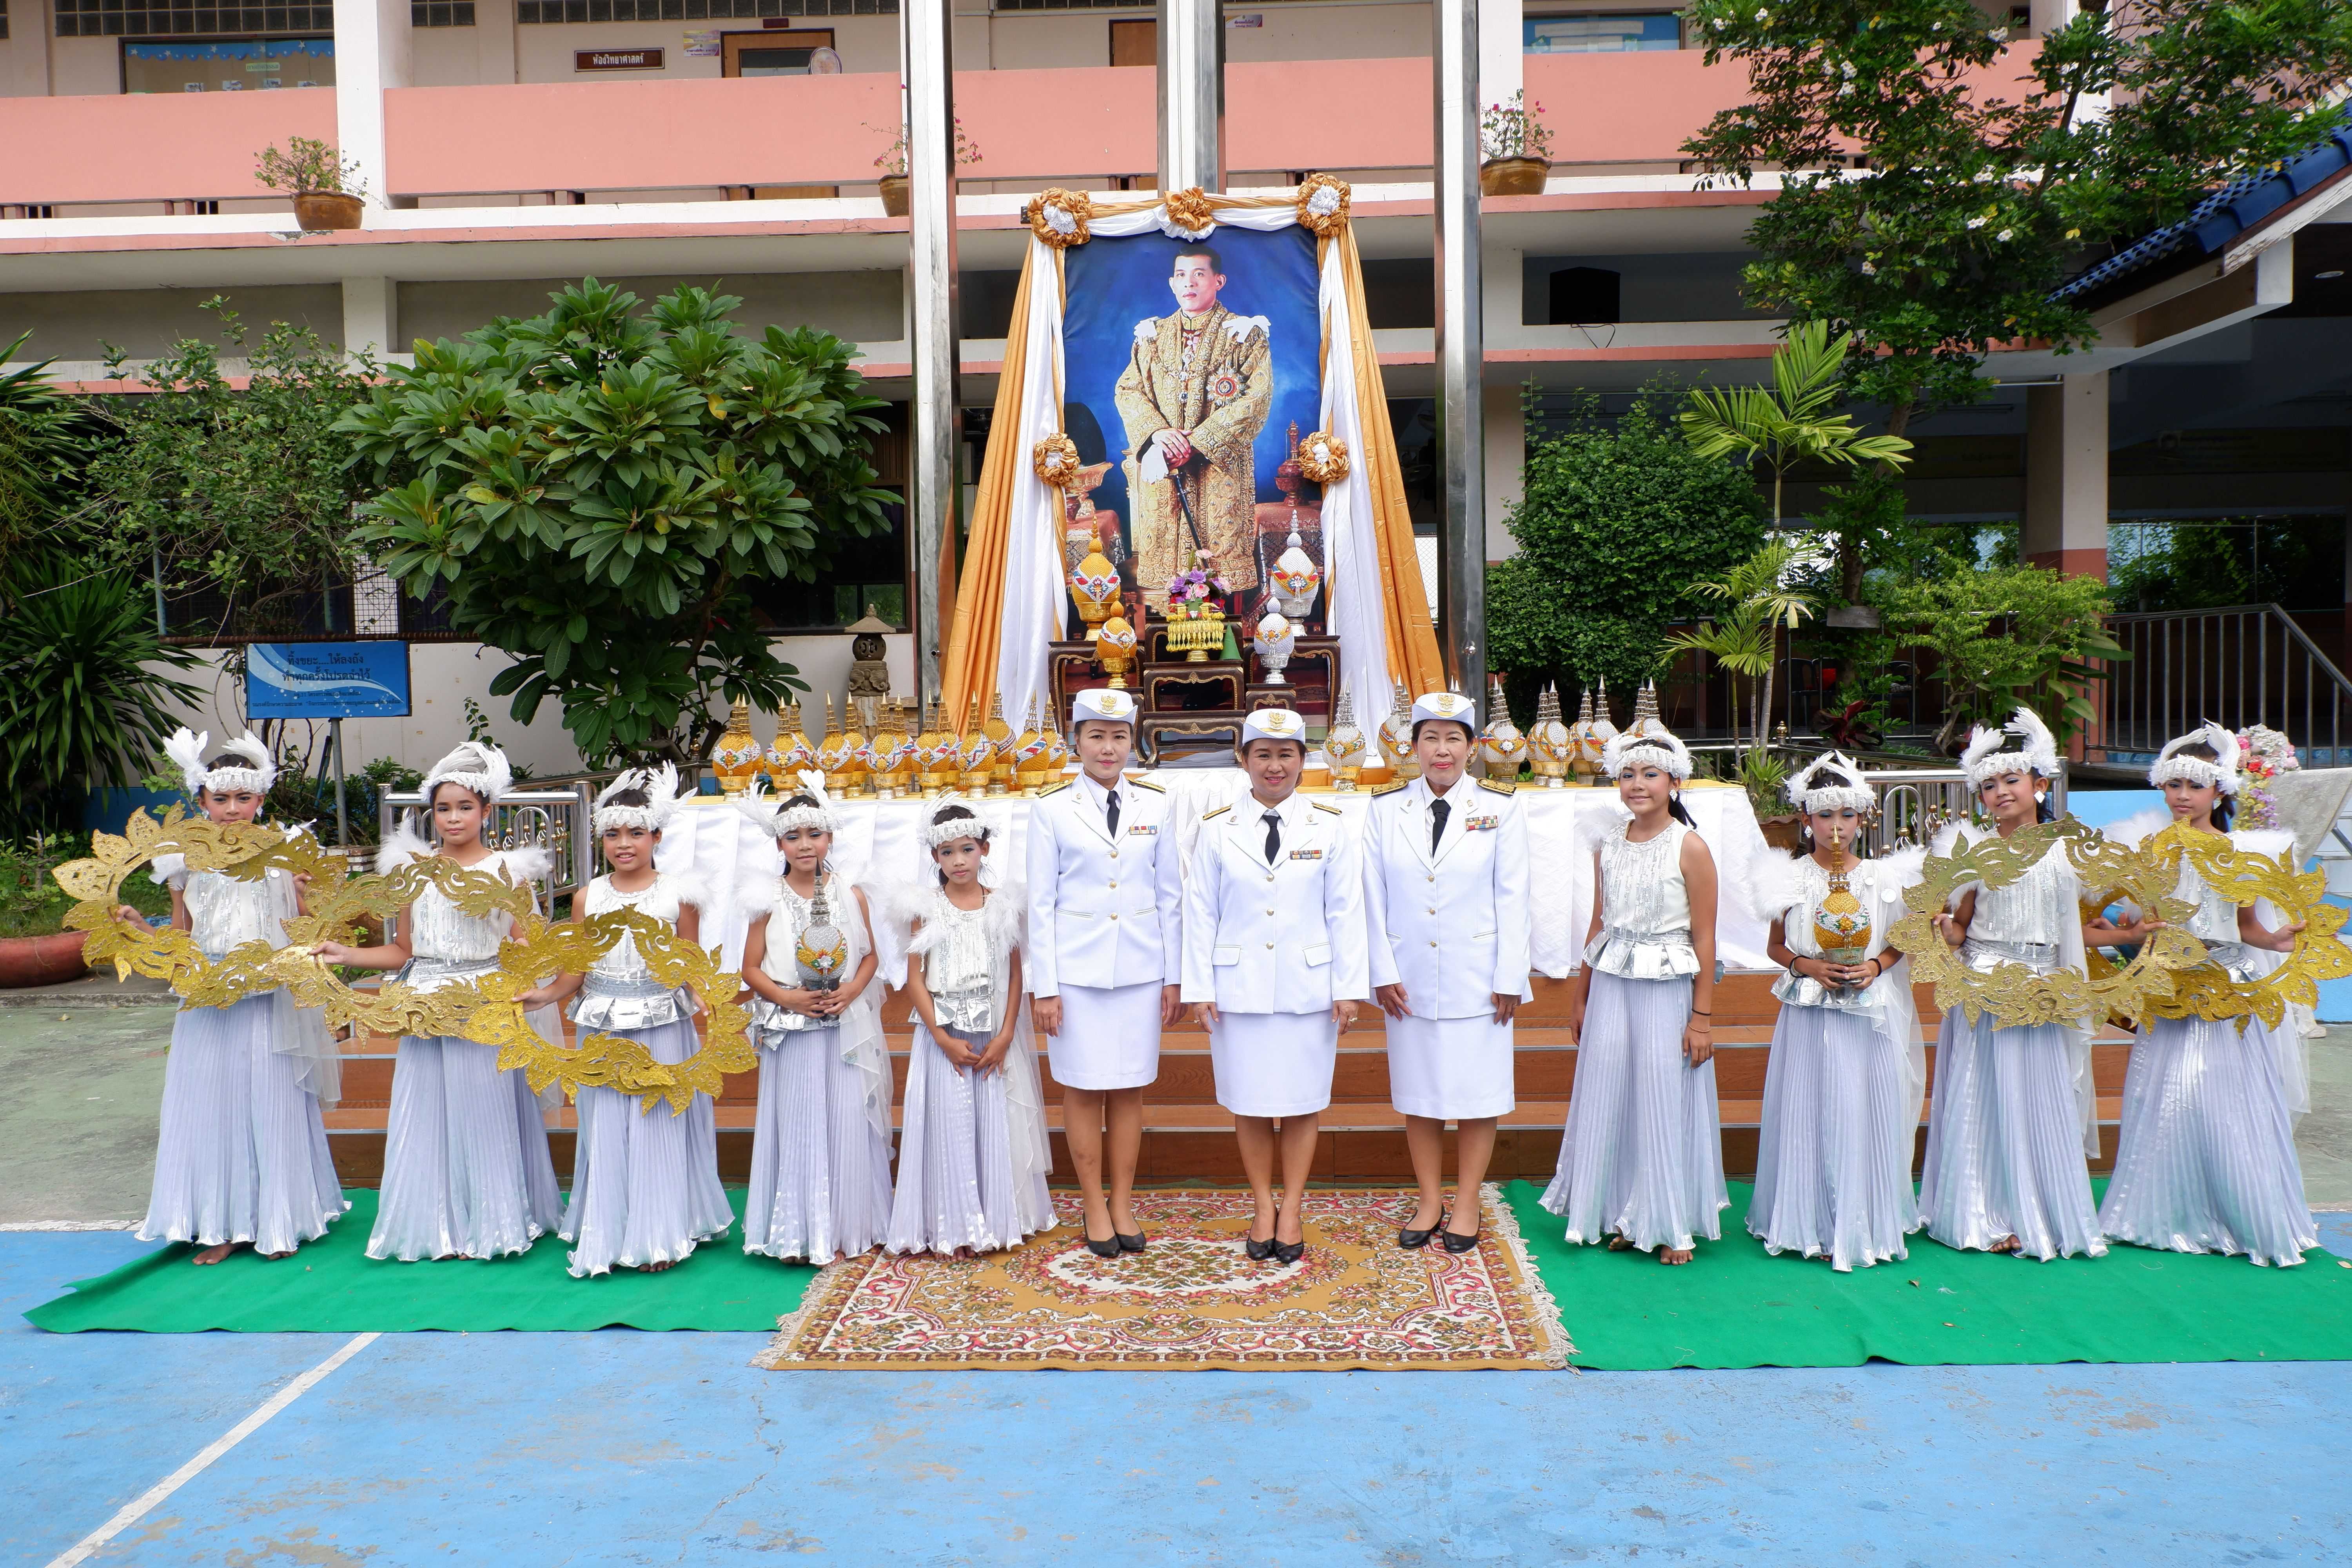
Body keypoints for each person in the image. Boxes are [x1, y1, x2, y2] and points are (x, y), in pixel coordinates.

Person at [316, 742, 564, 1261]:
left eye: (465, 807)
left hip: (482, 1004)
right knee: (424, 1113)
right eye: (444, 808)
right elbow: (404, 950)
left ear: (487, 811)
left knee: (484, 1110)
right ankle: (433, 1225)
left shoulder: (508, 872)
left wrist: (523, 959)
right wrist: (348, 954)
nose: (454, 818)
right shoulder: (415, 872)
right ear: (433, 813)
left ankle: (493, 1224)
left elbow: (529, 943)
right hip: (423, 1007)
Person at [2097, 724, 2319, 1267]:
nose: (2182, 796)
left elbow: (2246, 927)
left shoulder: (2241, 853)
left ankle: (2242, 1211)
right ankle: (2160, 1214)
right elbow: (2140, 923)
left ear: (2219, 792)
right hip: (2168, 988)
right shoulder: (2150, 852)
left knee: (2221, 1099)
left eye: (2194, 786)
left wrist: (2276, 940)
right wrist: (2130, 929)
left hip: (2226, 989)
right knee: (2163, 1097)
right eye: (2173, 785)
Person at [1920, 707, 2134, 1261]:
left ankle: (2042, 1212)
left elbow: (2079, 926)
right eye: (1989, 786)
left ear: (2039, 784)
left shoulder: (2070, 853)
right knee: (1984, 1098)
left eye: (2011, 780)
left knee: (2041, 1098)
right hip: (1985, 986)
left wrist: (2128, 932)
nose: (2001, 792)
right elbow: (1961, 928)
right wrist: (1943, 929)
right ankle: (1982, 1213)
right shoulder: (1971, 854)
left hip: (2046, 990)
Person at [125, 730, 344, 1265]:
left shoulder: (283, 855)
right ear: (201, 800)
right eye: (220, 798)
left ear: (261, 799)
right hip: (206, 998)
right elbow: (182, 937)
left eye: (243, 798)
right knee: (211, 1104)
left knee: (270, 1101)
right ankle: (221, 1223)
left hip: (267, 996)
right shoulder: (183, 862)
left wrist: (306, 894)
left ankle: (279, 1217)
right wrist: (141, 930)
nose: (231, 809)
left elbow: (309, 931)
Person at [517, 765, 732, 1278]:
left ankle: (659, 1232)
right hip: (604, 1023)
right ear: (602, 840)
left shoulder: (679, 894)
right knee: (608, 1122)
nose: (624, 844)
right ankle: (611, 1228)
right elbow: (578, 969)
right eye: (613, 834)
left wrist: (706, 996)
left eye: (636, 832)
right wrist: (544, 994)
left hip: (662, 1022)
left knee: (659, 1122)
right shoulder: (588, 897)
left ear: (656, 836)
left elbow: (689, 961)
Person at [1181, 706, 1367, 1264]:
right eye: (1263, 754)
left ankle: (1293, 1208)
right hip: (1237, 988)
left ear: (1304, 761)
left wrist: (1348, 987)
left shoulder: (1328, 825)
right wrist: (1199, 987)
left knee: (1303, 1103)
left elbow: (1345, 911)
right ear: (1243, 760)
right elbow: (1200, 911)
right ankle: (1264, 1206)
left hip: (1309, 989)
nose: (1275, 766)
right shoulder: (1216, 827)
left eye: (1287, 754)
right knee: (1251, 1103)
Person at [1540, 723, 1727, 1265]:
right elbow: (1598, 921)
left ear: (1674, 782)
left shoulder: (1690, 847)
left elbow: (1706, 937)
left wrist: (1702, 1019)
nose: (1637, 784)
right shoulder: (1608, 843)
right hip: (1612, 983)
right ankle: (1622, 1211)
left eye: (1650, 774)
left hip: (1666, 987)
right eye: (1627, 774)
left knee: (1661, 1092)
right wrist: (1581, 997)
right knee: (1612, 1090)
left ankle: (1668, 1220)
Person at [1744, 753, 1928, 1271]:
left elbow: (1901, 941)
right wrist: (1807, 965)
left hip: (1870, 1014)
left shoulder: (1885, 877)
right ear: (1807, 818)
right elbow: (1775, 947)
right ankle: (1809, 1220)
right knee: (1811, 1107)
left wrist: (1877, 965)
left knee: (1862, 1108)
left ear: (1863, 818)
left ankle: (1863, 1218)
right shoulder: (1787, 878)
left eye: (1847, 815)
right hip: (1810, 1012)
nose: (1836, 827)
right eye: (1825, 815)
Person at [1363, 690, 1530, 1254]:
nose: (1442, 750)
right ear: (1413, 747)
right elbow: (1372, 895)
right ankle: (1430, 1199)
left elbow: (1514, 895)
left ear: (1472, 747)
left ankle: (1467, 1202)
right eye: (1430, 738)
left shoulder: (1501, 806)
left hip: (1479, 976)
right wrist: (1381, 970)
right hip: (1408, 977)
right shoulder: (1385, 808)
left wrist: (1510, 977)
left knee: (1478, 1094)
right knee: (1420, 1093)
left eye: (1453, 738)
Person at [1024, 687, 1183, 1256]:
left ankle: (1123, 1202)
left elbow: (1170, 896)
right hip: (1076, 976)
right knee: (1084, 1089)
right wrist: (1045, 988)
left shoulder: (1156, 804)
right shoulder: (1050, 808)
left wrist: (1174, 976)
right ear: (1077, 742)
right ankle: (1093, 1202)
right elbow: (1040, 904)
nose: (1108, 748)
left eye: (1119, 736)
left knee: (1130, 1089)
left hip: (1140, 970)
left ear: (1133, 742)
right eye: (1097, 736)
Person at [880, 803, 1054, 1256]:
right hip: (944, 1034)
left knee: (993, 1123)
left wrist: (1006, 1035)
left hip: (993, 1032)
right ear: (934, 857)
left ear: (985, 849)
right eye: (947, 852)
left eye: (967, 849)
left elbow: (1015, 976)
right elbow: (915, 978)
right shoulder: (925, 908)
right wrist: (941, 1037)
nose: (958, 860)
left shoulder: (1003, 906)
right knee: (950, 1125)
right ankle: (953, 1225)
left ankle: (998, 1220)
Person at [736, 773, 893, 1265]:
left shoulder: (852, 893)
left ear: (830, 838)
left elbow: (871, 956)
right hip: (792, 1028)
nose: (805, 845)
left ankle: (849, 1225)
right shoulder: (766, 898)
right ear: (778, 843)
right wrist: (790, 998)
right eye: (793, 836)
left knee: (845, 1117)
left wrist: (852, 989)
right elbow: (750, 968)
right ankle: (797, 1232)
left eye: (814, 834)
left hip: (845, 1024)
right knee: (799, 1118)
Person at [1113, 243, 1273, 602]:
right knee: (1165, 588)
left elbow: (1256, 399)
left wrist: (1197, 443)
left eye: (1199, 275)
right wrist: (1158, 434)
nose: (1190, 283)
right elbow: (1128, 390)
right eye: (1182, 276)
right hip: (1165, 463)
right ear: (1172, 283)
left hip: (1219, 471)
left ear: (1218, 281)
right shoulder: (1152, 337)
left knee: (1221, 580)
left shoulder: (1244, 335)